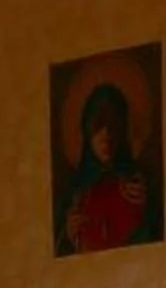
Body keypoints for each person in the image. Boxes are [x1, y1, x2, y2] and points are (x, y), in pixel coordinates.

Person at [60, 81, 156, 253]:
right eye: (99, 125)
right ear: (88, 131)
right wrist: (69, 235)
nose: (106, 135)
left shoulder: (137, 183)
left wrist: (145, 211)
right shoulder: (76, 191)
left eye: (113, 125)